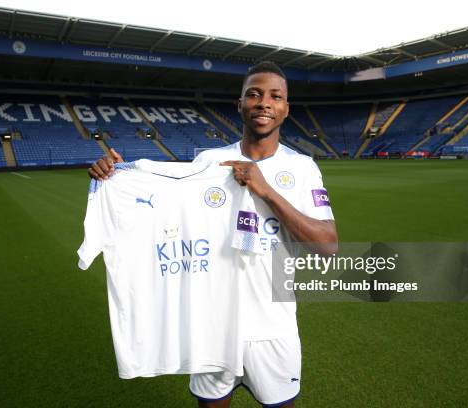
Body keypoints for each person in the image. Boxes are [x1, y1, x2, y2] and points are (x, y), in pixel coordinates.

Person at [88, 61, 338, 407]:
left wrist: (265, 190)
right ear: (240, 105)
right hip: (211, 326)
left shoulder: (302, 168)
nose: (264, 102)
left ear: (285, 109)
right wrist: (117, 175)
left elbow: (328, 246)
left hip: (273, 327)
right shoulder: (208, 161)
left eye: (275, 96)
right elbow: (164, 210)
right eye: (254, 94)